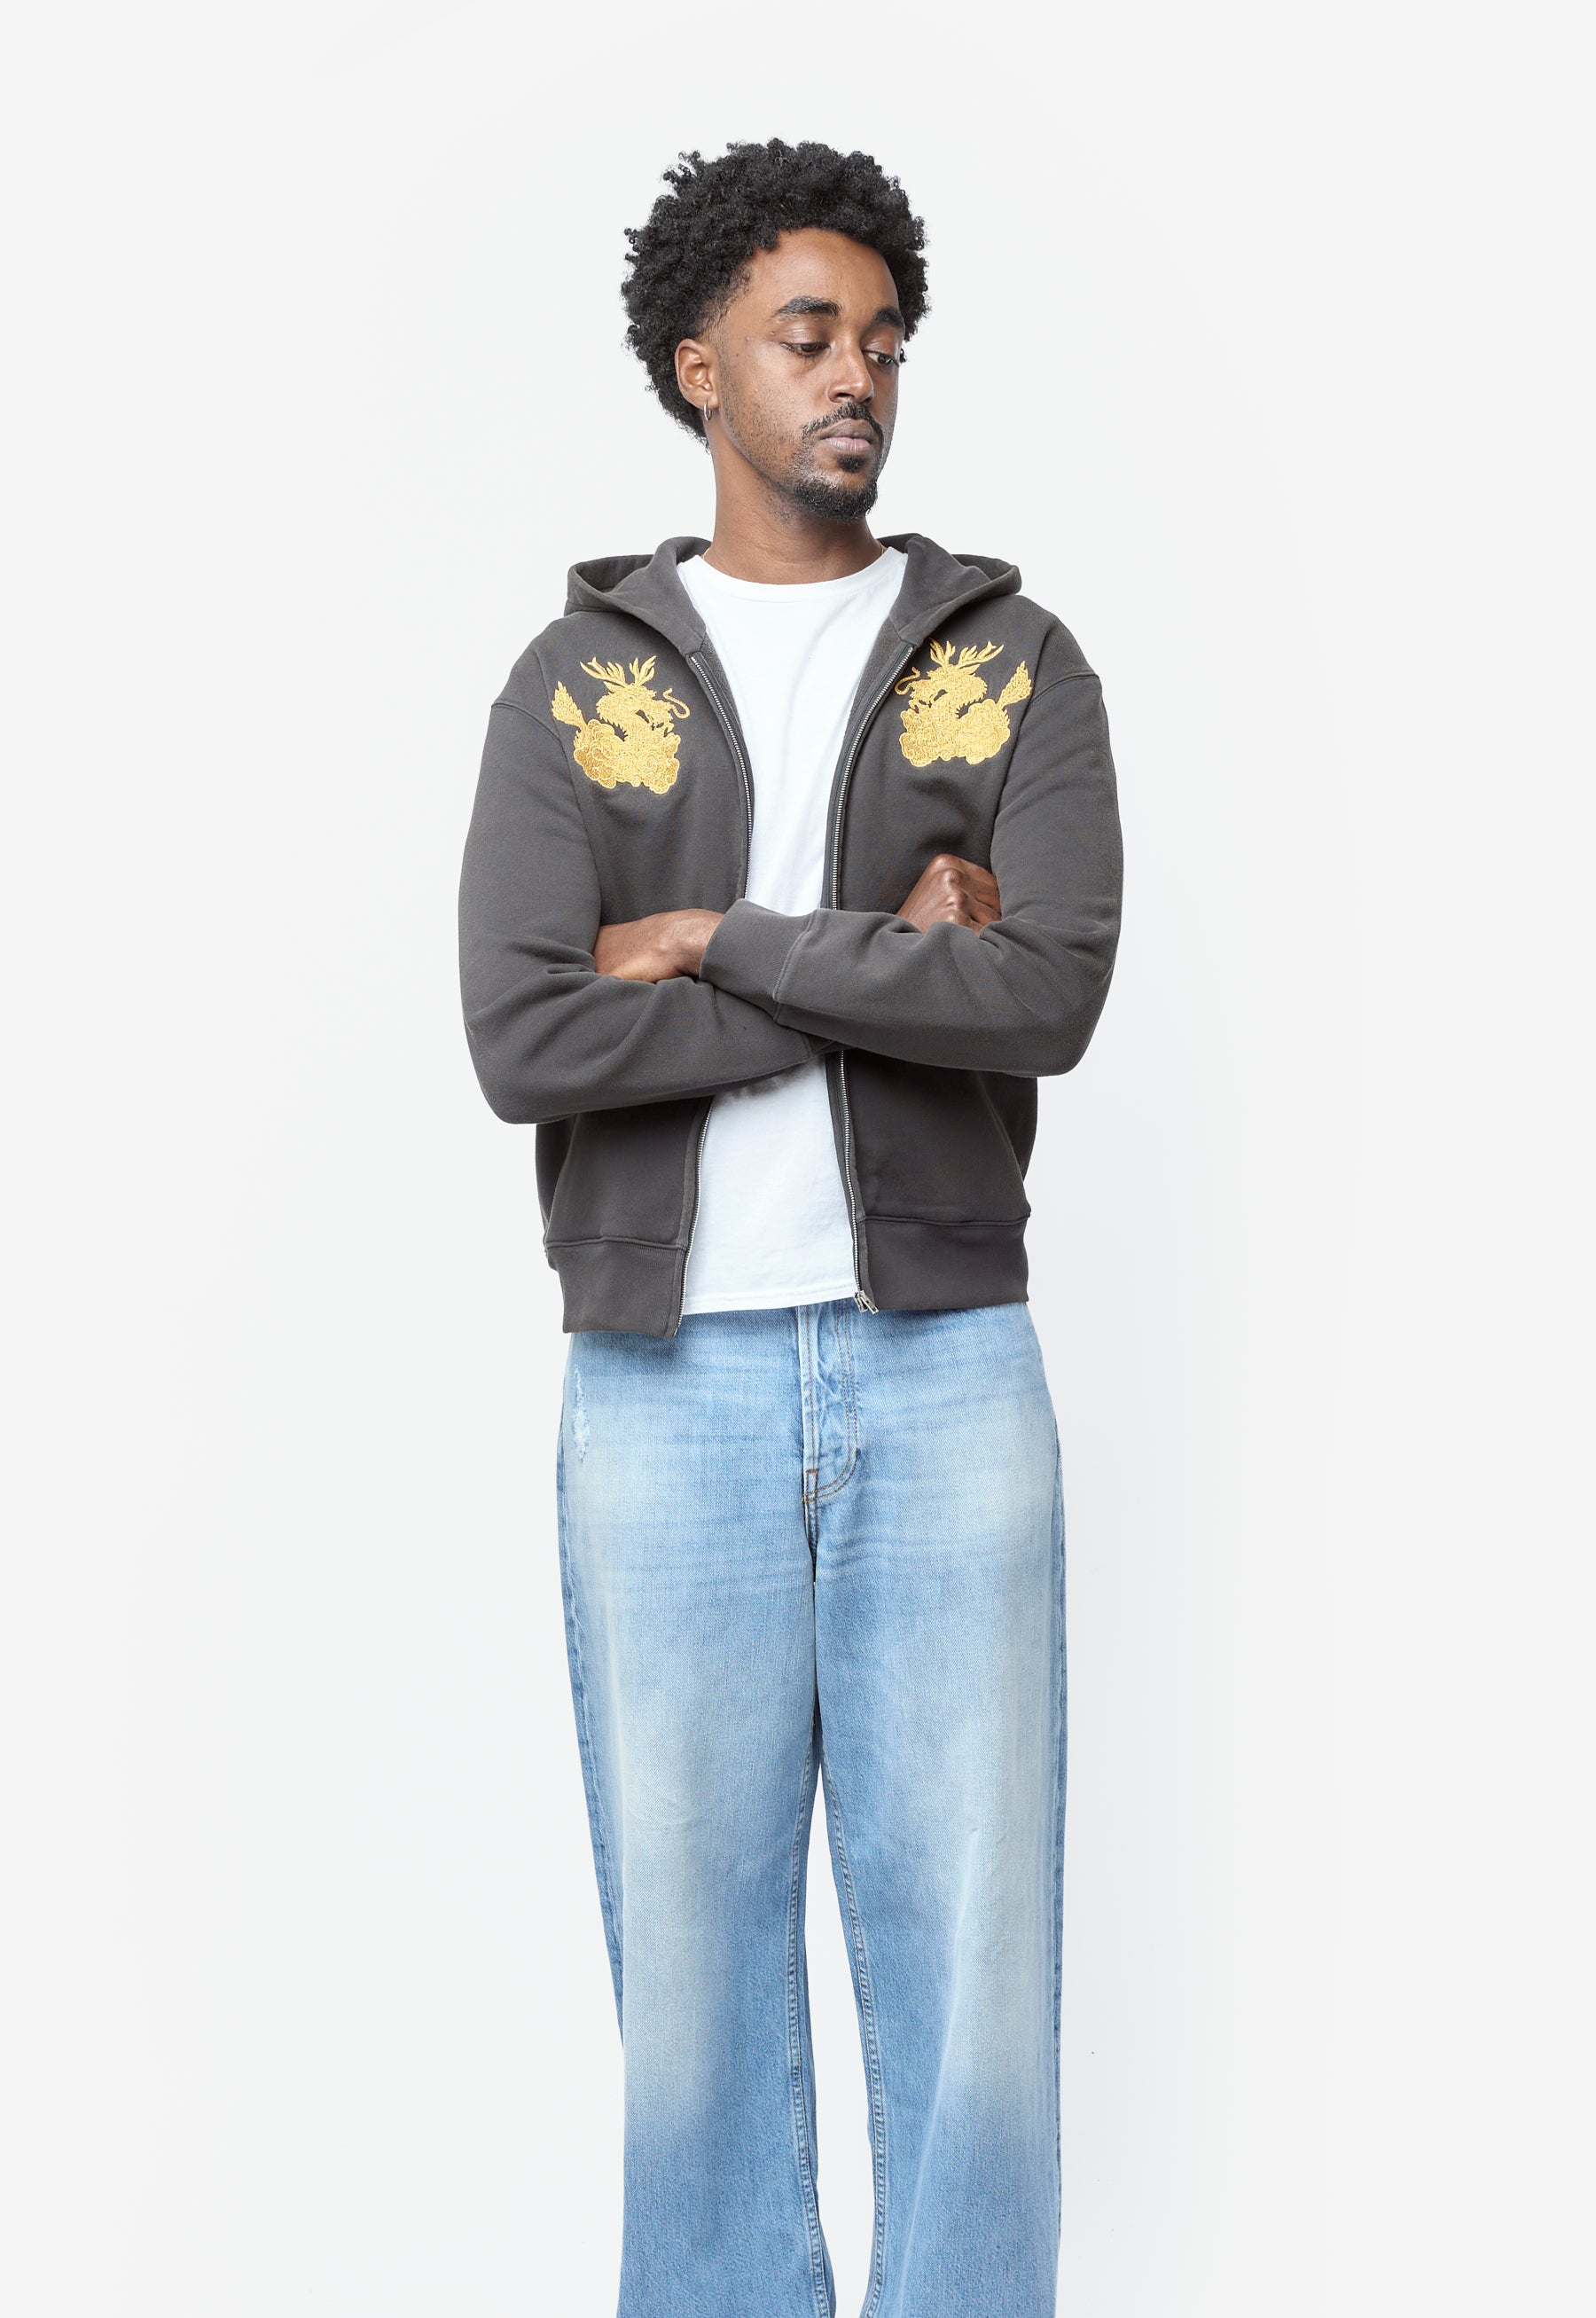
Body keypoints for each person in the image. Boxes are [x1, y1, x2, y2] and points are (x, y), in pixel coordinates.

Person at [458, 137, 1123, 2318]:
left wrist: (721, 938)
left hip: (948, 1368)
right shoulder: (578, 681)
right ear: (699, 364)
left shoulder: (1013, 660)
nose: (859, 376)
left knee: (978, 1984)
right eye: (809, 335)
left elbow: (1045, 993)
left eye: (885, 340)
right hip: (663, 1390)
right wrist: (878, 962)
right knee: (695, 1995)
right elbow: (526, 1035)